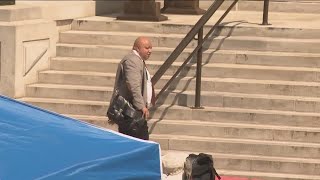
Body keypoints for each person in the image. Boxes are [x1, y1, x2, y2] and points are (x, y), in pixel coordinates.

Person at [109, 36, 155, 140]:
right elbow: (133, 85)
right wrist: (141, 106)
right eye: (147, 48)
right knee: (139, 142)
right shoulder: (132, 61)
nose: (150, 51)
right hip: (131, 113)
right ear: (137, 48)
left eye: (151, 48)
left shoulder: (137, 60)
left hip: (135, 113)